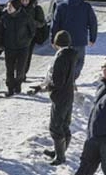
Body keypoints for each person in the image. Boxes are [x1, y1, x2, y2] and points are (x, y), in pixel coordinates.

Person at [50, 56, 106, 175]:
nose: (102, 70)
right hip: (94, 135)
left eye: (104, 67)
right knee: (87, 163)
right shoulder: (104, 86)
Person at [31, 31, 79, 166]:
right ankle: (59, 151)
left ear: (55, 44)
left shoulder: (61, 58)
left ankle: (60, 156)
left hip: (60, 96)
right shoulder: (71, 54)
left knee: (56, 126)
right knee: (64, 124)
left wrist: (41, 88)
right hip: (68, 94)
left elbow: (57, 81)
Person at [52, 0, 99, 81]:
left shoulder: (61, 6)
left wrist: (53, 39)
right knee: (79, 61)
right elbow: (93, 23)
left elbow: (55, 24)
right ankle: (72, 79)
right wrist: (92, 38)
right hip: (80, 40)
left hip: (64, 40)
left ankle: (66, 79)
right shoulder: (86, 6)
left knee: (64, 61)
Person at [0, 0, 36, 96]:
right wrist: (1, 44)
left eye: (10, 7)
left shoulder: (25, 17)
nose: (8, 9)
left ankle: (18, 84)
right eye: (7, 6)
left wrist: (27, 41)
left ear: (16, 7)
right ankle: (10, 89)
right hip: (9, 47)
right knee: (9, 69)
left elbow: (32, 31)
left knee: (20, 69)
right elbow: (1, 32)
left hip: (23, 48)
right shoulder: (5, 17)